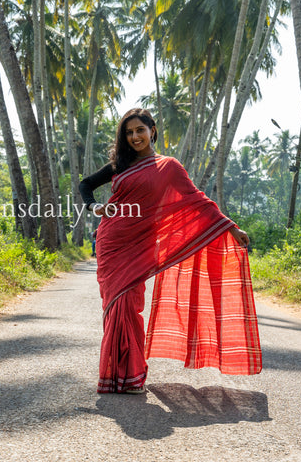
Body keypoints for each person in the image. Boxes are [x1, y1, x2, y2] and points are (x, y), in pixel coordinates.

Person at [79, 108, 261, 394]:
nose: (135, 136)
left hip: (141, 243)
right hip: (111, 240)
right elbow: (85, 184)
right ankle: (118, 375)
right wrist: (95, 206)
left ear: (153, 130)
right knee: (116, 305)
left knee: (129, 304)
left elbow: (197, 200)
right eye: (129, 132)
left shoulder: (169, 167)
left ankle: (130, 374)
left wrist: (230, 227)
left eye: (140, 130)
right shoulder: (120, 165)